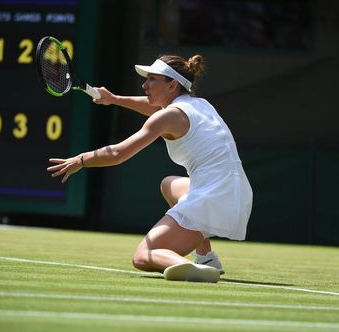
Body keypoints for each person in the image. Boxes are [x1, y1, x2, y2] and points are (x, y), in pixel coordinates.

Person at [47, 54, 253, 283]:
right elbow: (154, 107)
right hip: (237, 194)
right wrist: (114, 98)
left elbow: (117, 153)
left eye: (152, 79)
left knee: (143, 256)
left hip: (213, 196)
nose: (145, 84)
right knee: (169, 184)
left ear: (172, 85)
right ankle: (206, 258)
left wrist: (81, 160)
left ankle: (189, 267)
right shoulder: (199, 105)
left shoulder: (169, 116)